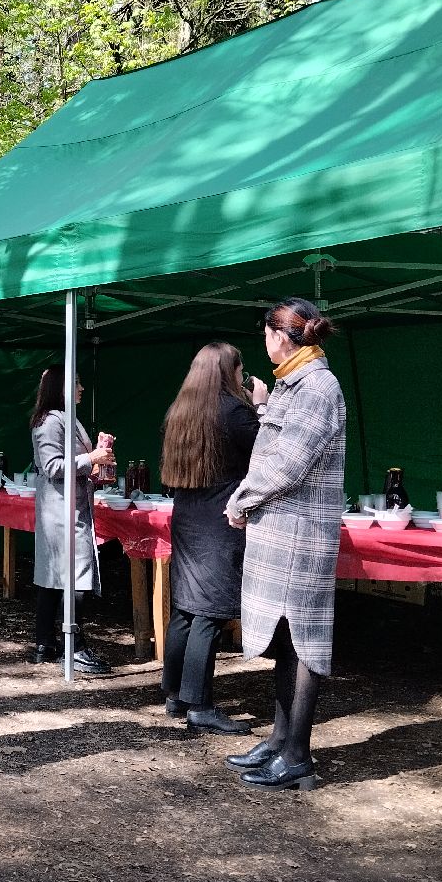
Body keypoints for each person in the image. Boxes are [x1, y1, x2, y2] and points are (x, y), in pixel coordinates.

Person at [223, 298, 345, 791]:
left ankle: (297, 754)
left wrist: (242, 499)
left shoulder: (319, 386)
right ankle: (278, 741)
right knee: (286, 641)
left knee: (304, 641)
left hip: (301, 535)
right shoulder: (294, 382)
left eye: (267, 334)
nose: (265, 343)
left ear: (281, 336)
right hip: (282, 532)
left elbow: (290, 460)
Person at [159, 343, 265, 735]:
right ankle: (199, 705)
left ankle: (174, 694)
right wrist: (260, 404)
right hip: (220, 520)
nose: (243, 376)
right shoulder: (234, 411)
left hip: (186, 517)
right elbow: (267, 452)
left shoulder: (179, 411)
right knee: (208, 612)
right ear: (229, 371)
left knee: (186, 608)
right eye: (240, 369)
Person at [29, 365, 116, 674]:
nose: (81, 389)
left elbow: (75, 465)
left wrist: (99, 457)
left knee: (55, 578)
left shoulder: (68, 419)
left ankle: (46, 644)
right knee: (74, 577)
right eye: (76, 384)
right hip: (61, 510)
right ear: (61, 387)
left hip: (69, 506)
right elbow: (53, 466)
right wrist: (90, 459)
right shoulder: (51, 421)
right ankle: (73, 647)